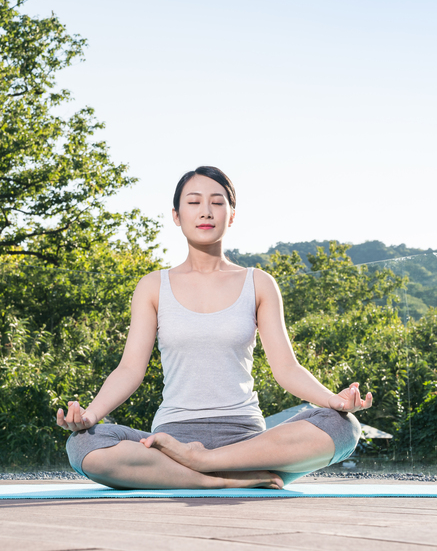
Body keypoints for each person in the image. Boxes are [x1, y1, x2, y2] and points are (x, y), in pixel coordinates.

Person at [56, 166, 372, 489]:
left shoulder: (259, 283)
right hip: (172, 442)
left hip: (247, 443)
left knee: (344, 428)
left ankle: (207, 465)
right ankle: (218, 481)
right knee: (83, 445)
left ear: (231, 215)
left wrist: (333, 400)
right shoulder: (152, 287)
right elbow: (129, 370)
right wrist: (90, 416)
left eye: (217, 203)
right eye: (193, 202)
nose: (205, 211)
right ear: (177, 216)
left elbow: (287, 368)